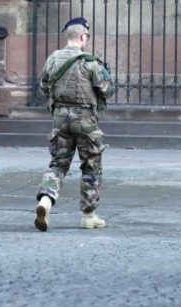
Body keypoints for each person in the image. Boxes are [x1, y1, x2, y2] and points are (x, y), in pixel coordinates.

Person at [33, 17, 115, 232]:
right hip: (86, 120)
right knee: (90, 167)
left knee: (58, 164)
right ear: (82, 37)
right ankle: (89, 216)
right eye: (86, 36)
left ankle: (46, 201)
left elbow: (43, 87)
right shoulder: (90, 62)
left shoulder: (53, 59)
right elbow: (106, 89)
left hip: (60, 119)